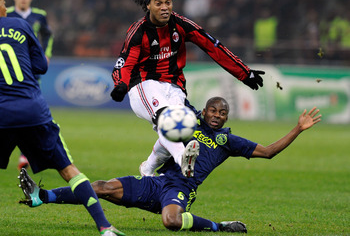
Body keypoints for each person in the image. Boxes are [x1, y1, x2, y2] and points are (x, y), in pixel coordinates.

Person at [18, 97, 321, 233]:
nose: (218, 115)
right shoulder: (188, 121)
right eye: (213, 110)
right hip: (157, 180)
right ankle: (41, 197)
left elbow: (268, 152)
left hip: (181, 188)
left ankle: (219, 226)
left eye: (223, 112)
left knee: (171, 222)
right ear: (204, 111)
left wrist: (298, 128)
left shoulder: (229, 142)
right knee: (102, 187)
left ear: (227, 117)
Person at [0, 0, 124, 236]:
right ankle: (105, 227)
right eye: (3, 0)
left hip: (2, 113)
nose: (6, 4)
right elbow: (42, 66)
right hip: (32, 110)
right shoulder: (19, 25)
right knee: (68, 170)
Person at [110, 0, 265, 177]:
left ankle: (148, 168)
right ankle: (182, 157)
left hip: (174, 87)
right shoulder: (138, 32)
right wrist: (121, 85)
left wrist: (244, 73)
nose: (165, 7)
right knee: (167, 121)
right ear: (148, 5)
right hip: (143, 85)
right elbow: (126, 63)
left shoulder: (181, 24)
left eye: (168, 2)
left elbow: (212, 46)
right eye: (158, 3)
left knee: (181, 127)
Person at [6, 0, 54, 170]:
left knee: (30, 111)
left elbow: (48, 35)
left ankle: (25, 154)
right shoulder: (5, 14)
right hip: (9, 72)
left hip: (32, 72)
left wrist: (47, 54)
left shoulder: (39, 16)